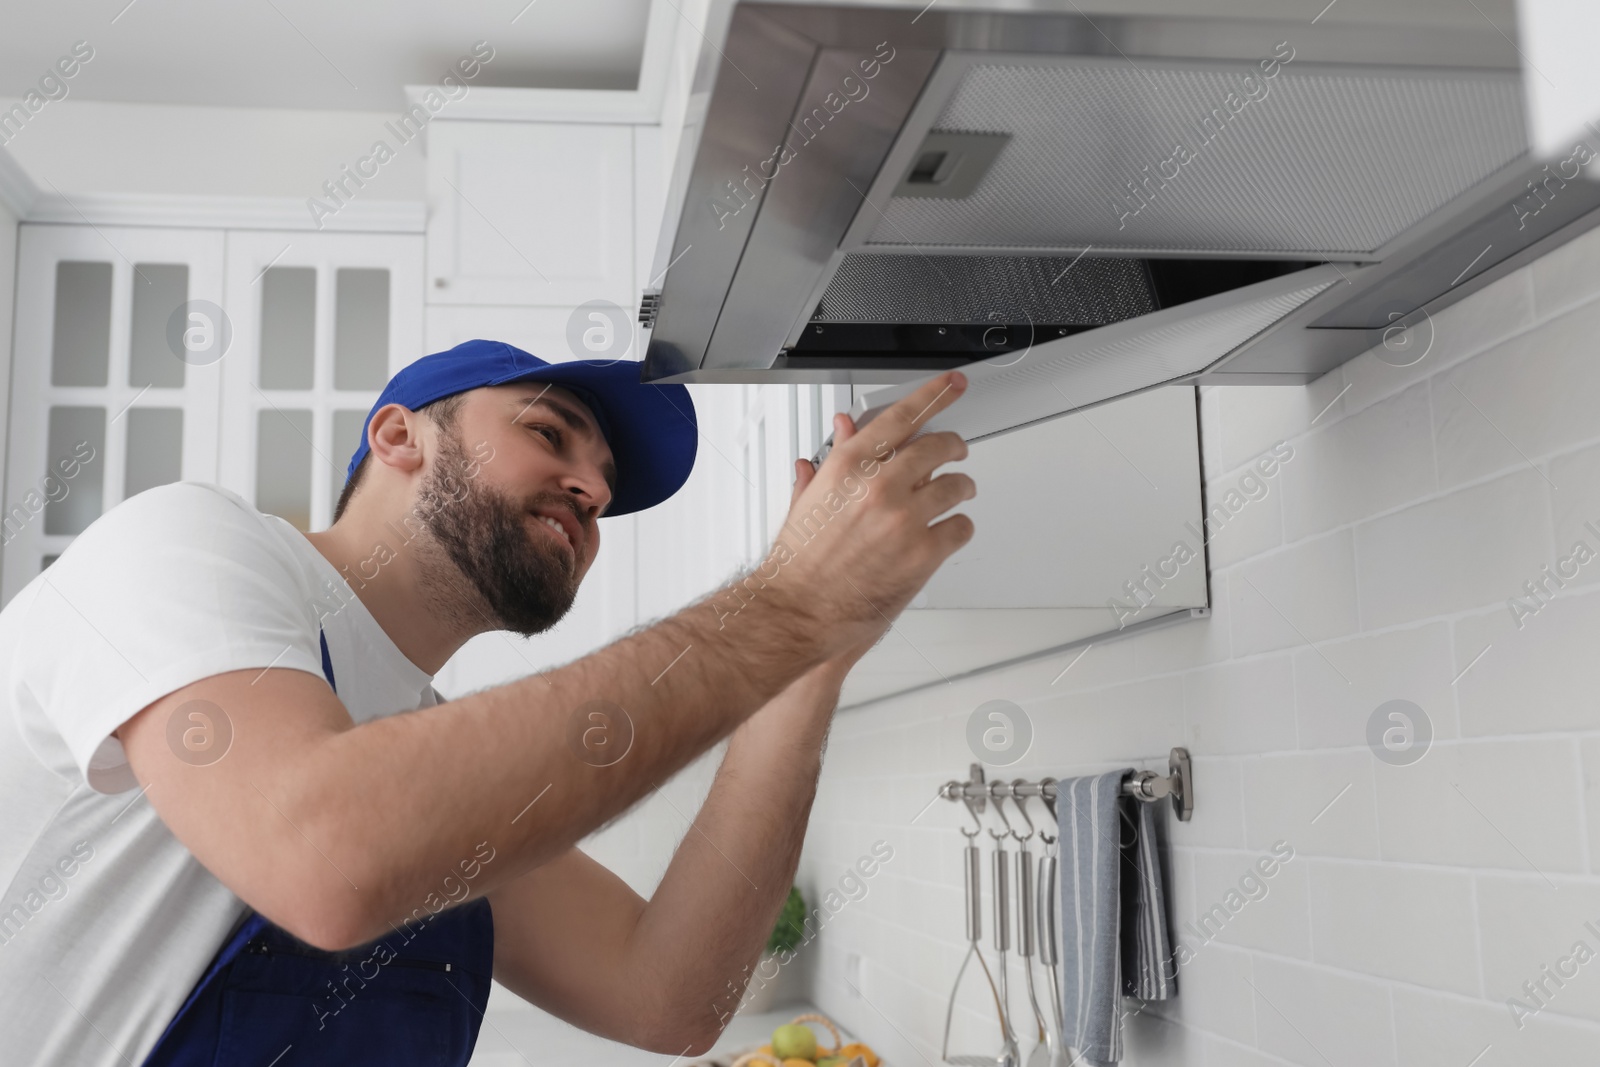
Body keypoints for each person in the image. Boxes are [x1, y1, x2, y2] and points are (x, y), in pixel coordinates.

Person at [0, 338, 975, 1066]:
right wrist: (782, 606)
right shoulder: (185, 542)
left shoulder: (421, 761)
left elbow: (668, 993)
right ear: (397, 434)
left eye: (607, 484)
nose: (592, 487)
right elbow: (322, 852)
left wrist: (807, 666)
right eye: (549, 432)